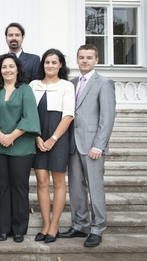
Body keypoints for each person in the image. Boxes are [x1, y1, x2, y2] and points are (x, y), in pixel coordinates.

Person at [59, 44, 116, 248]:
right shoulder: (71, 83)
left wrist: (99, 145)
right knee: (76, 188)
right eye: (81, 57)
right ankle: (80, 225)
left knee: (95, 187)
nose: (85, 61)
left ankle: (97, 228)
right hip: (73, 145)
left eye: (89, 57)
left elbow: (107, 117)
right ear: (77, 59)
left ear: (96, 60)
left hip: (93, 146)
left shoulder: (104, 83)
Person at [0, 53, 40, 243]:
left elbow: (30, 118)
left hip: (22, 148)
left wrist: (11, 136)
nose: (7, 70)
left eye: (11, 66)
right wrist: (1, 135)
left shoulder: (26, 90)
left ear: (17, 69)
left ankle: (19, 229)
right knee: (2, 187)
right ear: (0, 70)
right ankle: (3, 228)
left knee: (19, 187)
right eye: (4, 67)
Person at [29, 49, 75, 243]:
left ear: (60, 65)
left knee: (58, 183)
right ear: (43, 64)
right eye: (47, 62)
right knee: (41, 182)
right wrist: (38, 137)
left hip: (58, 138)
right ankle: (45, 224)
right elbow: (30, 114)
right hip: (38, 138)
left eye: (54, 63)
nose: (50, 66)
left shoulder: (67, 86)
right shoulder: (33, 85)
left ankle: (54, 226)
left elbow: (68, 115)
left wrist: (53, 139)